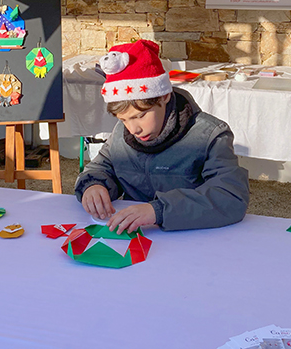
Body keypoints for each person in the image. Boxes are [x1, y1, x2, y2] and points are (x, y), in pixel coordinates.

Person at [75, 39, 249, 233]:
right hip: (135, 238)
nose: (133, 129)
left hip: (193, 237)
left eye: (140, 116)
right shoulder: (120, 133)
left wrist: (158, 211)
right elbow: (100, 167)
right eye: (123, 119)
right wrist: (93, 185)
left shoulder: (211, 136)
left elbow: (231, 197)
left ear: (164, 96)